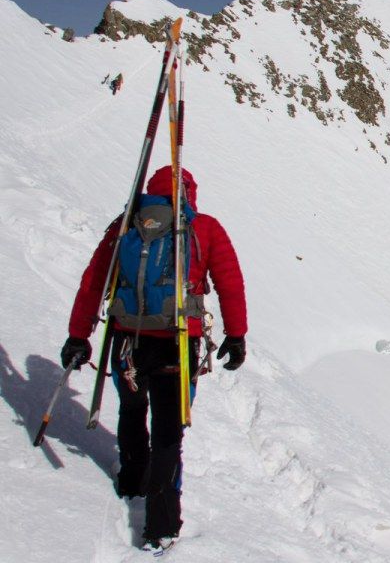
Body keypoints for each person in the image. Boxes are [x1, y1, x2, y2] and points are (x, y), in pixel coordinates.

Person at [61, 166, 247, 552]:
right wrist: (236, 334)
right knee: (168, 432)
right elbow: (230, 280)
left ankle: (132, 478)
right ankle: (161, 524)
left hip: (127, 341)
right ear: (190, 193)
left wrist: (79, 335)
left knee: (131, 410)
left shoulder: (126, 225)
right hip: (178, 345)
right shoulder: (205, 228)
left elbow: (95, 280)